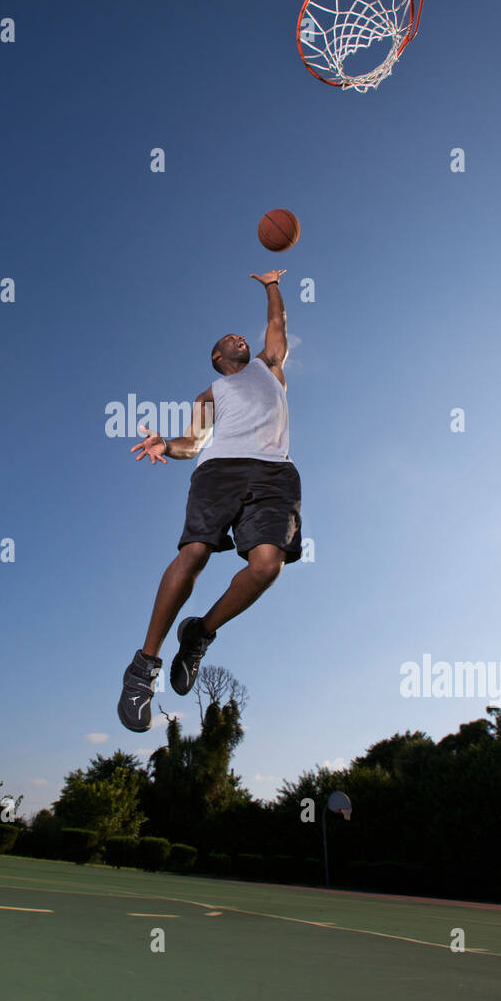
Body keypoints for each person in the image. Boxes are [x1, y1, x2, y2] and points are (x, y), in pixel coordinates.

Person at [117, 269, 302, 732]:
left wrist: (271, 285)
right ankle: (144, 665)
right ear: (218, 358)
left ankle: (199, 633)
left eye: (243, 336)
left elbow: (276, 323)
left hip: (275, 472)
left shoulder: (270, 367)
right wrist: (167, 446)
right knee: (195, 552)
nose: (241, 338)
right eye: (230, 339)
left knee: (267, 565)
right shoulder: (211, 393)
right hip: (219, 471)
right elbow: (192, 443)